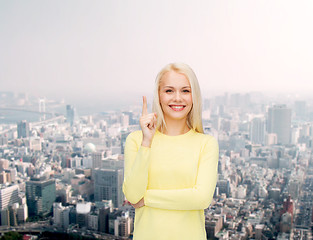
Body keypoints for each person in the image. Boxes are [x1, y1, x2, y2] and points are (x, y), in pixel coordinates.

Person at [122, 63, 219, 240]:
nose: (177, 98)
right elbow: (133, 195)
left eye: (185, 91)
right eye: (169, 91)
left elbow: (202, 198)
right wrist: (147, 142)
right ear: (158, 96)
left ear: (194, 96)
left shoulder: (206, 143)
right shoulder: (136, 140)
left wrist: (147, 199)